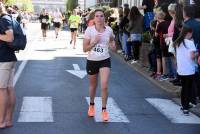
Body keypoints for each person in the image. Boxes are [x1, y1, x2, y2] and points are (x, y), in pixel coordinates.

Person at [83, 9, 116, 122]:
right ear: (94, 18)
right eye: (97, 16)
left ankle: (104, 110)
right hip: (92, 60)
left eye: (101, 16)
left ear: (104, 18)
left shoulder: (109, 30)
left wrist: (112, 46)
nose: (99, 18)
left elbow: (112, 42)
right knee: (93, 85)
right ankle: (91, 105)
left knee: (104, 85)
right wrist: (94, 42)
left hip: (104, 60)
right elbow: (84, 49)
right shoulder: (89, 31)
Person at [0, 1, 17, 128]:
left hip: (4, 59)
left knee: (2, 90)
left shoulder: (4, 19)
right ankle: (7, 120)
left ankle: (2, 121)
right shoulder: (6, 18)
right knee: (9, 89)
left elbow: (9, 37)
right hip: (8, 58)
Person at [174, 26, 196, 115]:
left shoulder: (177, 43)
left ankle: (183, 106)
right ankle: (186, 108)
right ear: (189, 33)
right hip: (189, 69)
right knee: (189, 88)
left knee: (184, 88)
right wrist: (197, 53)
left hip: (181, 69)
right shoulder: (190, 43)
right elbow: (192, 57)